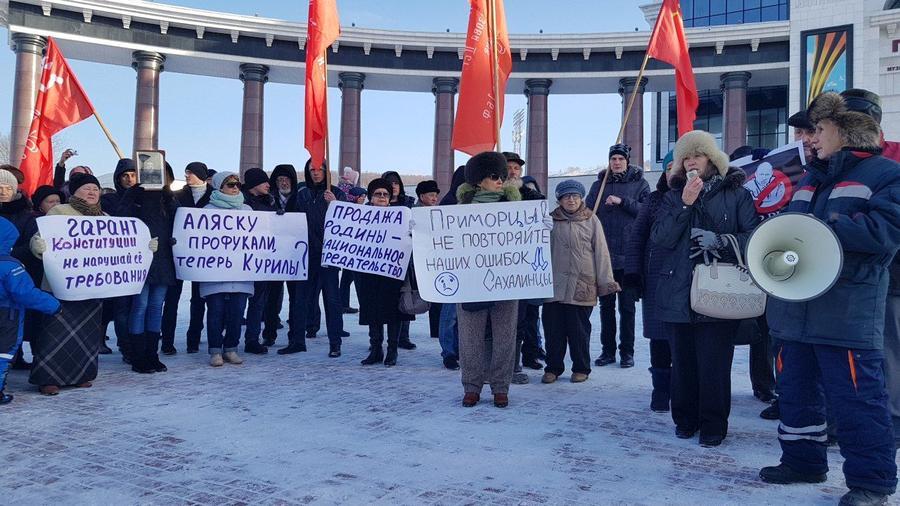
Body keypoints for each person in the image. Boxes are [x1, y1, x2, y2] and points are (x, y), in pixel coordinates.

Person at [758, 90, 900, 506]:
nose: (810, 138)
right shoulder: (810, 178)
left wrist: (825, 228)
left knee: (858, 399)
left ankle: (871, 483)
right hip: (796, 308)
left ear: (847, 130)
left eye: (818, 129)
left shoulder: (886, 175)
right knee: (797, 390)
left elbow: (886, 234)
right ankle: (803, 461)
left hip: (848, 310)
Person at [650, 130, 757, 447]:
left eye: (698, 154)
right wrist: (684, 205)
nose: (691, 160)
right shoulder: (671, 195)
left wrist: (723, 242)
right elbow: (661, 238)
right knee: (682, 363)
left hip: (719, 291)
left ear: (713, 159)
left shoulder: (737, 194)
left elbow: (754, 236)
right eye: (686, 156)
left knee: (714, 364)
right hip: (677, 290)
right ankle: (685, 418)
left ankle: (713, 425)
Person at [29, 173, 152, 395]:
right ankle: (47, 378)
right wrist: (38, 245)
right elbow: (41, 238)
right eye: (86, 188)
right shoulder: (60, 212)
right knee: (55, 333)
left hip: (91, 287)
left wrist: (144, 246)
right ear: (74, 192)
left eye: (95, 189)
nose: (92, 192)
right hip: (62, 285)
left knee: (86, 336)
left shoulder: (105, 217)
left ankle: (81, 374)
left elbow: (119, 247)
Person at [455, 151, 521, 408]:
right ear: (479, 180)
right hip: (471, 280)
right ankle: (471, 385)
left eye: (503, 176)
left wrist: (541, 227)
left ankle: (501, 387)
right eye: (495, 176)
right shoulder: (460, 210)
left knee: (505, 335)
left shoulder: (516, 208)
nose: (500, 181)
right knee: (470, 336)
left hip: (507, 279)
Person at [542, 179, 618, 384]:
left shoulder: (591, 220)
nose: (571, 200)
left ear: (581, 197)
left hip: (581, 285)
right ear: (559, 200)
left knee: (579, 332)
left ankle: (581, 367)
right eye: (566, 196)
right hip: (554, 286)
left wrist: (606, 282)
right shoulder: (549, 220)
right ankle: (553, 368)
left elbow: (601, 252)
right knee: (553, 331)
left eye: (575, 196)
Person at [586, 143, 650, 368]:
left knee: (627, 308)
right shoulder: (599, 184)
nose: (616, 162)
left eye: (620, 159)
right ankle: (608, 351)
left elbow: (647, 211)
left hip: (630, 256)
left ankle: (627, 352)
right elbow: (588, 211)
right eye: (613, 159)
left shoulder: (640, 184)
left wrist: (622, 202)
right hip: (605, 258)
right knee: (606, 308)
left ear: (627, 161)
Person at [624, 151, 675, 412]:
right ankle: (661, 389)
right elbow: (637, 238)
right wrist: (633, 275)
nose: (672, 172)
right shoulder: (653, 200)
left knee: (683, 341)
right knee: (659, 338)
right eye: (668, 168)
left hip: (687, 282)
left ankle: (681, 388)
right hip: (656, 280)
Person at [115, 167, 178, 374]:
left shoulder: (167, 198)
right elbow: (121, 218)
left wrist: (168, 195)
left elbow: (179, 221)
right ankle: (138, 356)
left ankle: (152, 354)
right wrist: (133, 193)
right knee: (140, 305)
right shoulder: (135, 196)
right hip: (139, 259)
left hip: (163, 258)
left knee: (155, 306)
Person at [0, 217, 60, 404]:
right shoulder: (11, 266)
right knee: (2, 354)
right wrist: (53, 305)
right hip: (6, 317)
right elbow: (25, 293)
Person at [356, 178, 415, 367]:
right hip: (367, 271)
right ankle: (375, 348)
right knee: (372, 310)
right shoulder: (359, 216)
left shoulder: (401, 216)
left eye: (385, 194)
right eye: (377, 194)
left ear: (390, 199)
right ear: (371, 198)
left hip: (392, 270)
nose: (382, 197)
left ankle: (392, 350)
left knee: (393, 311)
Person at [294, 159, 346, 357]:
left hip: (329, 255)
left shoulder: (336, 193)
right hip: (307, 254)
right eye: (311, 170)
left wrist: (335, 204)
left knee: (332, 300)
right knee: (301, 300)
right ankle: (298, 340)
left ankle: (335, 343)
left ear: (326, 172)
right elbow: (294, 220)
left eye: (319, 170)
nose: (315, 173)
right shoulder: (302, 194)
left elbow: (349, 220)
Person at [200, 172, 253, 367]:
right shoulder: (207, 211)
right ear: (219, 187)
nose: (235, 187)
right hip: (215, 272)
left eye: (237, 184)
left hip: (241, 272)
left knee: (237, 312)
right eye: (230, 184)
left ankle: (231, 348)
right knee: (215, 311)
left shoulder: (247, 210)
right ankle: (215, 350)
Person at [502, 152, 547, 374]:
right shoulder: (490, 196)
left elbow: (541, 210)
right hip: (499, 268)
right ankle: (509, 361)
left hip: (526, 267)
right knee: (507, 321)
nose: (513, 171)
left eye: (516, 168)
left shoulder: (529, 195)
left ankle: (529, 355)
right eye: (508, 167)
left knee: (529, 316)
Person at [161, 161, 212, 354]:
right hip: (178, 253)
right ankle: (167, 341)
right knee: (172, 299)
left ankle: (193, 340)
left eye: (191, 172)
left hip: (204, 255)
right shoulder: (177, 196)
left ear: (201, 174)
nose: (187, 175)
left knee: (199, 300)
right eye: (186, 172)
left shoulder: (213, 196)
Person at [99, 159, 138, 358]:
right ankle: (127, 348)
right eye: (125, 175)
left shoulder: (146, 197)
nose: (130, 179)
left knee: (138, 307)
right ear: (118, 178)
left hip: (141, 261)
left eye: (133, 175)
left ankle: (139, 343)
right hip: (118, 263)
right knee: (121, 308)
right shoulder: (109, 201)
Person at [241, 167, 276, 355]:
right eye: (264, 182)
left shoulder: (270, 201)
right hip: (242, 261)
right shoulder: (240, 203)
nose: (268, 185)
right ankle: (229, 338)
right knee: (238, 302)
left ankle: (252, 339)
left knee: (258, 302)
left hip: (262, 261)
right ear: (254, 184)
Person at [266, 164, 300, 346]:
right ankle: (269, 333)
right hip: (273, 256)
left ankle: (294, 335)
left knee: (296, 298)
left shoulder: (301, 198)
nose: (283, 182)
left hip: (295, 257)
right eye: (279, 180)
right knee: (272, 298)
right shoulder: (268, 199)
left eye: (286, 179)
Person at [437, 166, 467, 370]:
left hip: (472, 267)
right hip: (452, 267)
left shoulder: (478, 203)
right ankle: (448, 352)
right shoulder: (448, 202)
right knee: (450, 314)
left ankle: (462, 350)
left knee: (467, 315)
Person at [414, 180, 442, 338]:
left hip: (434, 261)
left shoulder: (438, 212)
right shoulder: (413, 212)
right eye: (431, 195)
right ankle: (403, 336)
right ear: (421, 196)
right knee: (409, 298)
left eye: (436, 195)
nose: (434, 198)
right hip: (416, 262)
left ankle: (436, 330)